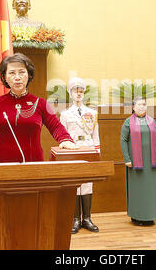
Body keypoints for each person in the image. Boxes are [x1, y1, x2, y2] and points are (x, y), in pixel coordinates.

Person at [0, 53, 77, 164]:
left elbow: (56, 126)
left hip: (33, 165)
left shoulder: (40, 103)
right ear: (4, 77)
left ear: (29, 75)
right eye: (12, 73)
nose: (17, 77)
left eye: (22, 72)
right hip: (1, 166)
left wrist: (65, 140)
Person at [60, 77, 100, 234]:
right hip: (73, 151)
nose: (79, 93)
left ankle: (87, 218)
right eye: (76, 90)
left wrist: (97, 152)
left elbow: (96, 135)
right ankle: (76, 219)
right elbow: (62, 136)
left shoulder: (92, 113)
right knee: (75, 185)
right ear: (70, 93)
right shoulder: (65, 114)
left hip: (88, 149)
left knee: (88, 184)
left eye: (81, 90)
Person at [120, 97, 156, 226]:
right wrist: (127, 159)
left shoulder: (151, 121)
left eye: (144, 104)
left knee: (150, 190)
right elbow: (123, 140)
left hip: (151, 162)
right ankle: (137, 216)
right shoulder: (128, 122)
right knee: (137, 191)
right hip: (135, 163)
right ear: (133, 107)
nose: (142, 107)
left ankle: (149, 216)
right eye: (139, 105)